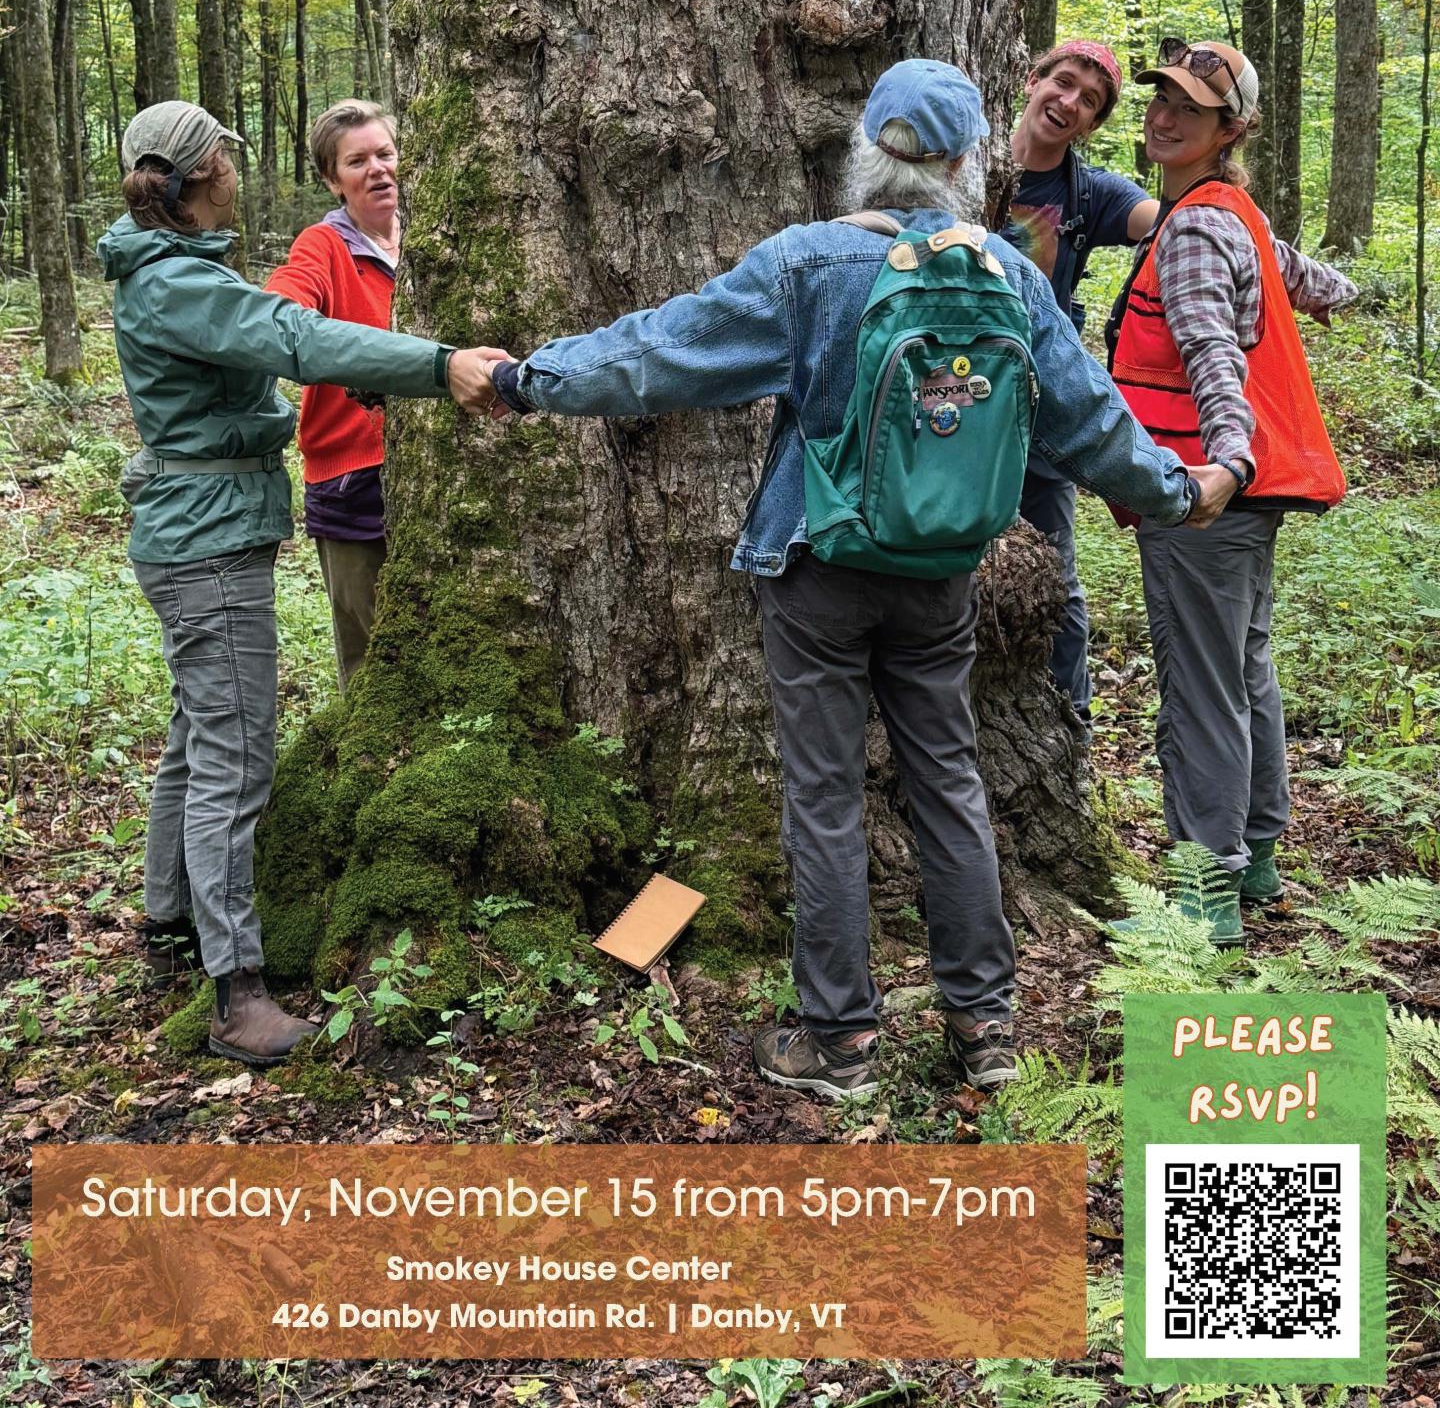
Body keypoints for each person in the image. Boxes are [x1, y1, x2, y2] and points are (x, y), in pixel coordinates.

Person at [461, 60, 1233, 1100]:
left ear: (867, 150)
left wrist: (525, 378)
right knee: (951, 784)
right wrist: (1184, 490)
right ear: (968, 165)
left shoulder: (807, 264)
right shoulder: (1007, 276)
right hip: (942, 571)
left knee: (824, 798)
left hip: (817, 566)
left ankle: (840, 1040)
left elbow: (658, 353)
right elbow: (1093, 423)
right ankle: (984, 1024)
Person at [99, 100, 494, 1066]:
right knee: (234, 760)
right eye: (228, 157)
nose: (238, 168)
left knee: (197, 742)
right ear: (203, 176)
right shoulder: (180, 286)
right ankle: (238, 993)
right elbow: (297, 337)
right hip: (207, 545)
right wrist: (438, 365)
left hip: (196, 530)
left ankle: (166, 922)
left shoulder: (170, 272)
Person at [1106, 40, 1356, 944]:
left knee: (1203, 686)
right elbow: (1302, 272)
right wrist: (1339, 292)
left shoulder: (1198, 226)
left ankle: (1203, 895)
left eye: (1191, 110)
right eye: (1161, 99)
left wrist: (1225, 462)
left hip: (1206, 493)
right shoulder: (1229, 212)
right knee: (1244, 667)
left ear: (1231, 129)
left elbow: (1212, 352)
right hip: (1241, 498)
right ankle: (1255, 856)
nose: (1164, 117)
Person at [1004, 41, 1159, 720]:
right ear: (1032, 80)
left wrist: (1267, 254)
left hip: (1037, 421)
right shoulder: (961, 160)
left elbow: (1177, 221)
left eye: (1089, 101)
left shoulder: (1087, 194)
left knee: (1055, 583)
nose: (1069, 102)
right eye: (1062, 83)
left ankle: (1070, 727)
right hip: (940, 415)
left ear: (1093, 124)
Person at [265, 100, 403, 689]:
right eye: (357, 161)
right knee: (372, 656)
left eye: (385, 154)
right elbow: (280, 308)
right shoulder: (324, 246)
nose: (377, 170)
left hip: (441, 472)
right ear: (332, 178)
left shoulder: (439, 236)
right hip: (351, 475)